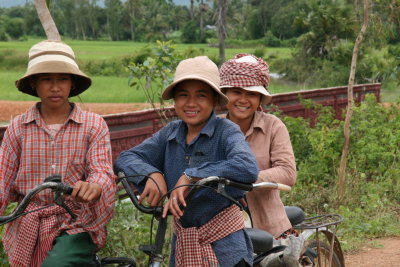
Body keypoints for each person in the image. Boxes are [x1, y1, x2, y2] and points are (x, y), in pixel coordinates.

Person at [114, 56, 259, 267]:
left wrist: (192, 174)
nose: (191, 103)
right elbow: (126, 158)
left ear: (214, 101)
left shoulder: (226, 131)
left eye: (201, 95)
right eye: (183, 95)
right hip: (184, 243)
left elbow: (247, 167)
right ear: (175, 100)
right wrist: (152, 175)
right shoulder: (170, 133)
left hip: (226, 248)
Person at [0, 40, 116, 267]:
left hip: (76, 220)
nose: (55, 87)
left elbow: (101, 170)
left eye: (62, 79)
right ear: (34, 83)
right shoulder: (18, 127)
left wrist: (94, 186)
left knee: (57, 264)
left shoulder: (93, 125)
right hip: (29, 219)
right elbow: (2, 177)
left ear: (72, 83)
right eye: (46, 79)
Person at [219, 54, 297, 239]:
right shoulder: (213, 128)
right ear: (225, 94)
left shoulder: (273, 126)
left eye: (252, 94)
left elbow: (288, 172)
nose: (243, 99)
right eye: (237, 91)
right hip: (221, 223)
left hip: (269, 225)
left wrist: (246, 177)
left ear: (260, 99)